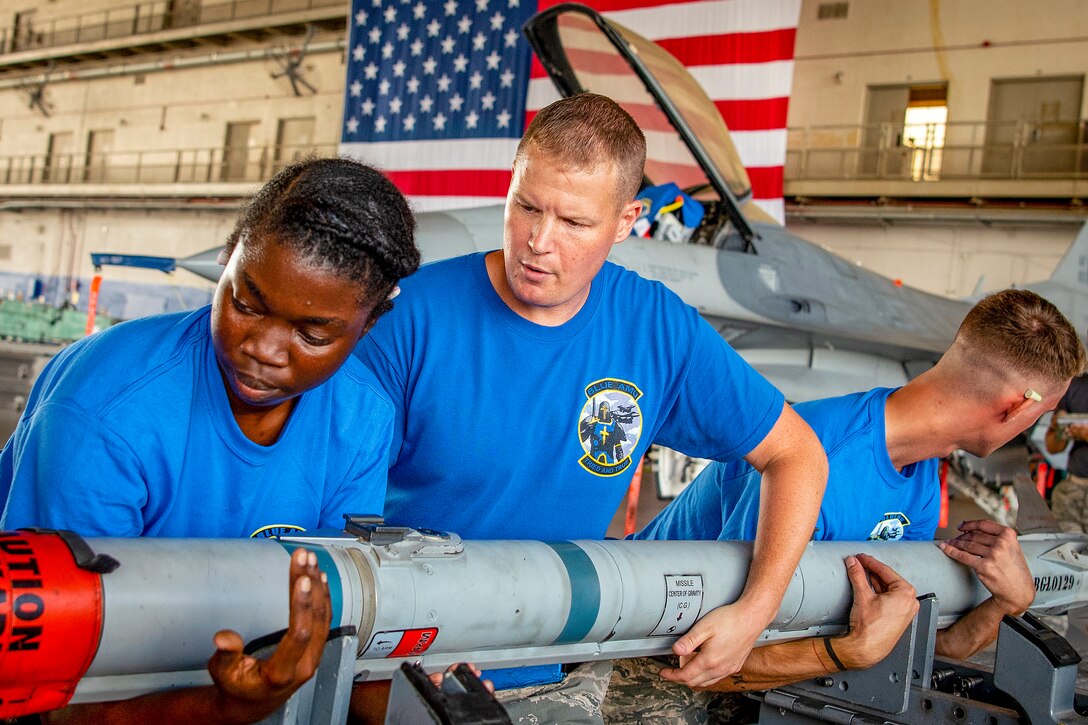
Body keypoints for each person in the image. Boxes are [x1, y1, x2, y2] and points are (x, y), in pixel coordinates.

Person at [355, 93, 828, 722]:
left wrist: (756, 611)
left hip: (550, 669)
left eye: (574, 223)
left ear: (627, 219)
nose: (538, 242)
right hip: (398, 669)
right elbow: (332, 513)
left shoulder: (655, 328)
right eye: (526, 207)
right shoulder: (409, 318)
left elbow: (797, 453)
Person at [0, 157, 421, 723]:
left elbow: (332, 616)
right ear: (228, 257)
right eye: (247, 303)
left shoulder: (362, 415)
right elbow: (53, 699)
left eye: (312, 334)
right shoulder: (106, 411)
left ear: (367, 325)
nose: (265, 349)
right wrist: (222, 706)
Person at [608, 288, 1084, 723]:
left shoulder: (917, 478)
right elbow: (709, 657)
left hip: (758, 670)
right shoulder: (819, 457)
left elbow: (918, 646)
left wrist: (1009, 602)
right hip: (636, 657)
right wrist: (843, 654)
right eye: (1038, 417)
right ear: (1016, 408)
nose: (1030, 428)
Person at [1045, 370, 1088, 532]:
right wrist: (1059, 428)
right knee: (1062, 551)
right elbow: (1053, 447)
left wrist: (1084, 434)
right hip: (1073, 489)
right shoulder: (1076, 385)